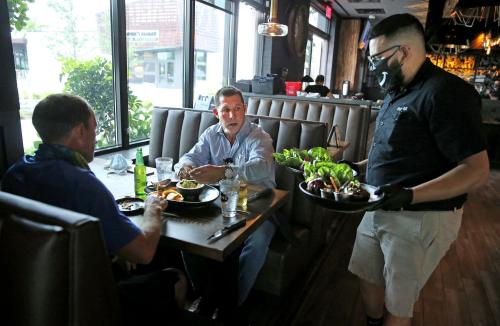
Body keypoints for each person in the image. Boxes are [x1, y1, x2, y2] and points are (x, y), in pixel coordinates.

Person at [1, 94, 209, 325]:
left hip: (33, 295)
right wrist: (151, 209)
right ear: (80, 131)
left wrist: (116, 249)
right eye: (94, 129)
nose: (95, 138)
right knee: (176, 277)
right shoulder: (83, 185)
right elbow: (143, 252)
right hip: (90, 302)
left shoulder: (15, 173)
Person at [344, 14, 490, 326]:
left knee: (399, 300)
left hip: (421, 218)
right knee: (366, 274)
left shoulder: (446, 93)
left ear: (404, 51)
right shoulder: (397, 90)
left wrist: (410, 195)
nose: (372, 67)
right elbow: (396, 152)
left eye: (377, 58)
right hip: (380, 204)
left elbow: (476, 170)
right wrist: (357, 169)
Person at [174, 86, 276, 321]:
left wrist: (222, 172)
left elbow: (260, 166)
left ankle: (230, 306)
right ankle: (208, 296)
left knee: (256, 244)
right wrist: (184, 168)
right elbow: (189, 156)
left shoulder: (259, 136)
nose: (232, 116)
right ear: (216, 112)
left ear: (245, 109)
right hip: (220, 208)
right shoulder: (211, 134)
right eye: (226, 110)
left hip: (260, 209)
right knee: (187, 238)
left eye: (238, 109)